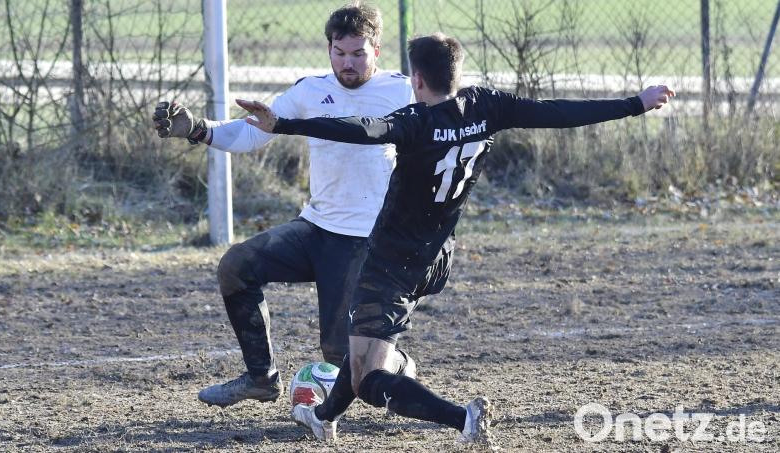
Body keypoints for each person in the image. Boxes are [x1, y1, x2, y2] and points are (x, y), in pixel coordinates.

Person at [238, 33, 674, 442]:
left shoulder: (414, 121)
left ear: (418, 80)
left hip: (391, 262)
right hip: (438, 257)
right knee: (360, 356)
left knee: (368, 380)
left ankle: (462, 418)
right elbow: (559, 113)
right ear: (457, 74)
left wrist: (282, 125)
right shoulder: (486, 104)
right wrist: (636, 103)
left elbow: (362, 129)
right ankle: (323, 417)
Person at [152, 2, 417, 408]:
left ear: (376, 51)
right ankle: (261, 379)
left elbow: (446, 133)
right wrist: (198, 129)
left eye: (358, 54)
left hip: (364, 241)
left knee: (339, 356)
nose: (347, 63)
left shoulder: (401, 92)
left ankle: (396, 363)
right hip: (314, 229)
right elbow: (253, 133)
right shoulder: (311, 91)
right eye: (339, 52)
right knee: (236, 266)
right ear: (329, 48)